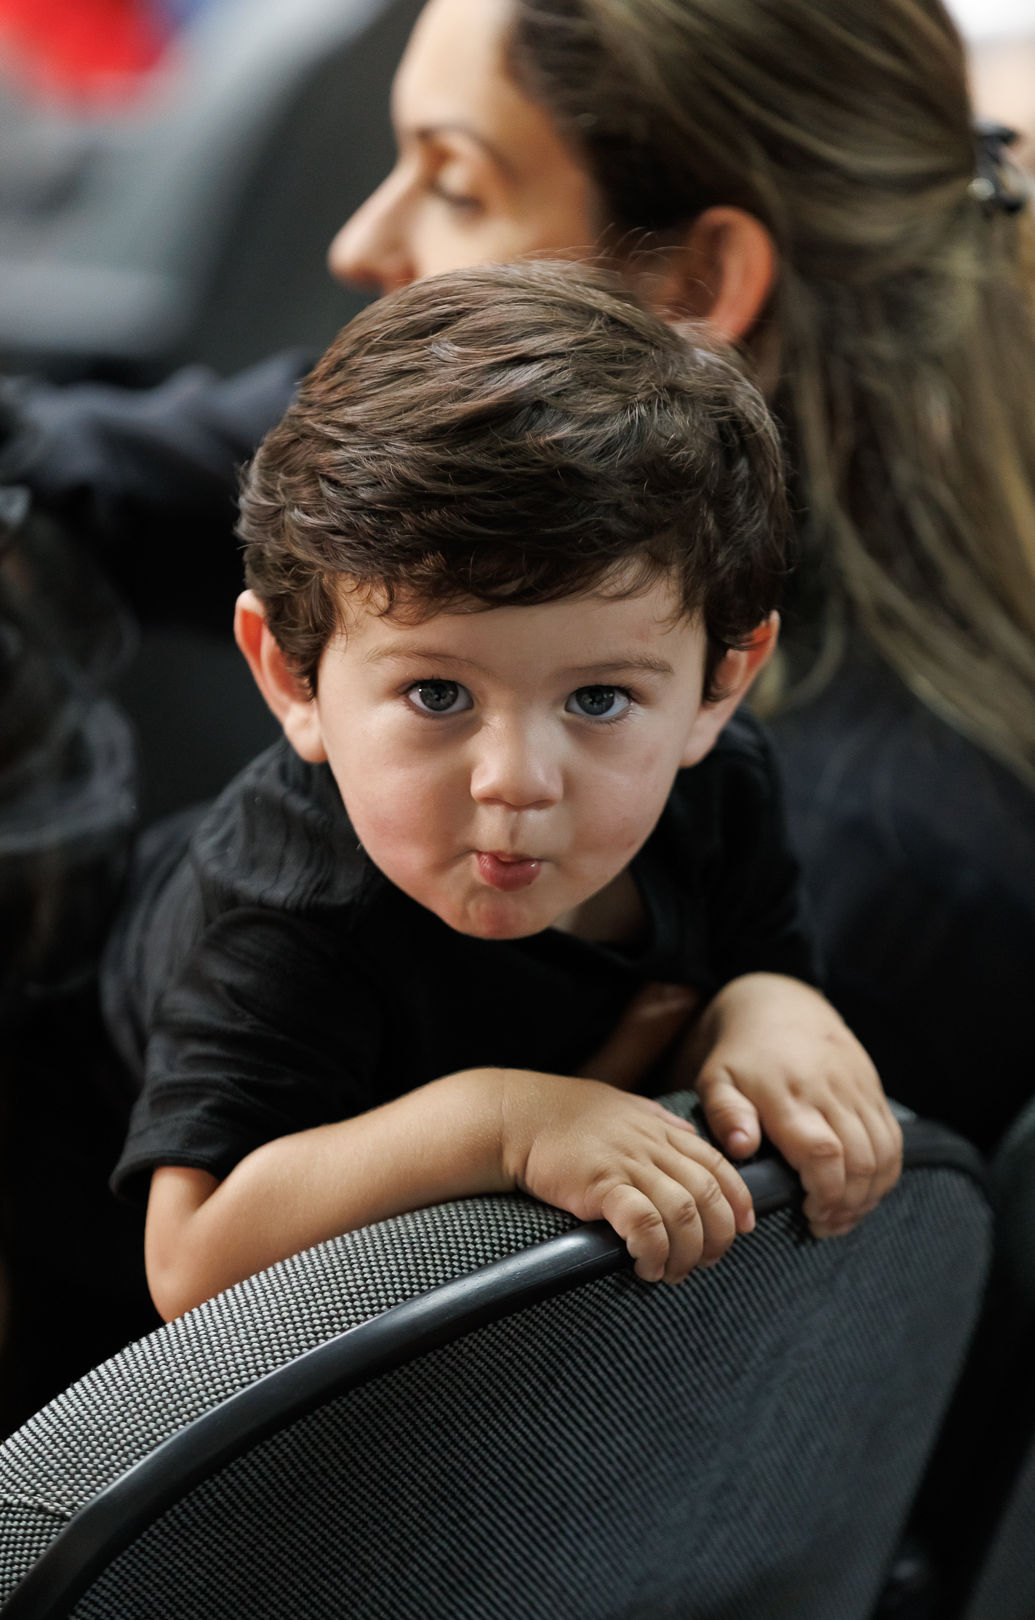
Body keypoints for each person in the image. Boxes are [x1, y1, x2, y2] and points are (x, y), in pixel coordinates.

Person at [0, 0, 1035, 1153]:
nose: (358, 245)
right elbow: (58, 471)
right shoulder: (457, 460)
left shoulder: (890, 876)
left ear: (696, 286)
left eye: (457, 185)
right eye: (439, 690)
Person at [102, 262, 901, 1322]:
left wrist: (765, 1009)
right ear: (292, 676)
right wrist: (505, 1127)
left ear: (719, 685)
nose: (517, 780)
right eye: (437, 693)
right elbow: (189, 1263)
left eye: (601, 700)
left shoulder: (719, 787)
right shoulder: (284, 913)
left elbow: (750, 959)